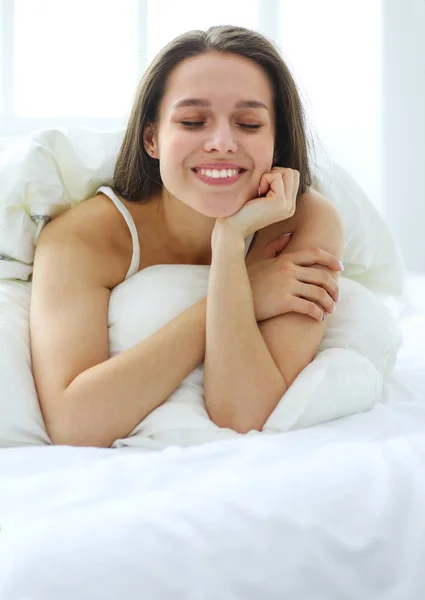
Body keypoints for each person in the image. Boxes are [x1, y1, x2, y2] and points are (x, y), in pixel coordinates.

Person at [29, 25, 344, 448]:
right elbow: (75, 424)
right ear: (152, 139)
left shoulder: (304, 220)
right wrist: (246, 290)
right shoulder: (82, 238)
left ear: (277, 141)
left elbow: (243, 414)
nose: (221, 143)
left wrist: (230, 242)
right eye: (193, 122)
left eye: (249, 124)